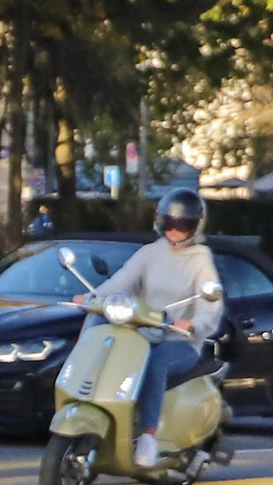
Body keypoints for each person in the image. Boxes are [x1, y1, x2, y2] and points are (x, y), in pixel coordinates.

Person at [94, 188, 224, 469]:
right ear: (160, 222)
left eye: (183, 224)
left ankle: (149, 437)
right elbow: (121, 281)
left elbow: (211, 303)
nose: (175, 230)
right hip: (144, 332)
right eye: (170, 223)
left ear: (196, 226)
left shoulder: (200, 259)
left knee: (155, 365)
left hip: (180, 342)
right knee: (111, 349)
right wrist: (93, 298)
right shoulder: (150, 253)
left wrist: (194, 324)